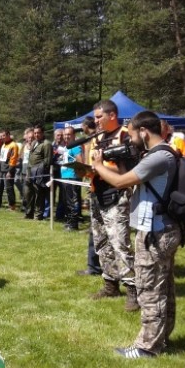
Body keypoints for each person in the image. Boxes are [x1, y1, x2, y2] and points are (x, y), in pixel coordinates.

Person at [92, 110, 179, 359]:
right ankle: (161, 339)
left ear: (143, 131)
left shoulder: (158, 157)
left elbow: (122, 183)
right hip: (162, 228)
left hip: (155, 231)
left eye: (131, 136)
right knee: (163, 288)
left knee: (149, 289)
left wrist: (98, 166)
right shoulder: (163, 154)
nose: (130, 141)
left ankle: (146, 347)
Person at [88, 99, 137, 311]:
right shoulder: (97, 138)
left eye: (99, 117)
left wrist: (101, 169)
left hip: (117, 195)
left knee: (120, 243)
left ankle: (133, 290)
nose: (96, 121)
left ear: (112, 115)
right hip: (96, 194)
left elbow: (131, 172)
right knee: (101, 242)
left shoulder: (125, 136)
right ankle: (110, 284)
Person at [76, 116, 103, 276]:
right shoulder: (89, 141)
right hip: (94, 188)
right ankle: (93, 267)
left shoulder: (100, 140)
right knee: (95, 231)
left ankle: (100, 268)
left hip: (107, 191)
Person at [24, 124, 52, 220]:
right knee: (28, 193)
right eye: (35, 133)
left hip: (39, 173)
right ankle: (28, 213)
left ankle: (38, 215)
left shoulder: (46, 144)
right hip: (29, 172)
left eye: (38, 133)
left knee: (39, 195)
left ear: (43, 133)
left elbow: (47, 161)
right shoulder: (34, 142)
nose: (36, 135)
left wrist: (38, 169)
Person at [60, 126, 84, 231]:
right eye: (65, 134)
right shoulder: (66, 147)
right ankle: (68, 221)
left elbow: (80, 161)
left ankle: (74, 224)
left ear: (74, 135)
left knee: (72, 201)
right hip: (65, 177)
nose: (66, 136)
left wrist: (77, 172)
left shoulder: (75, 147)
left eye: (69, 134)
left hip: (72, 177)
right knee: (66, 201)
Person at [0, 130, 19, 210]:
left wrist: (10, 171)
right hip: (0, 170)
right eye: (1, 136)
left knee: (9, 189)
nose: (2, 137)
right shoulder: (3, 145)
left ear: (8, 135)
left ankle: (12, 205)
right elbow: (1, 158)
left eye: (3, 135)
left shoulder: (14, 145)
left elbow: (13, 159)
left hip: (8, 170)